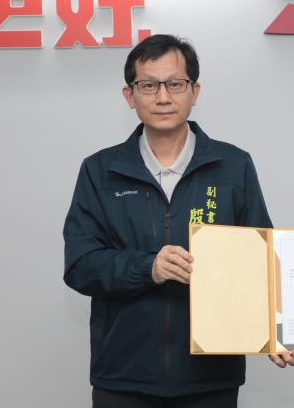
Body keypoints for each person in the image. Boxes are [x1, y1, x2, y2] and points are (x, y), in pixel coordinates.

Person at [63, 34, 281, 408]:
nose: (163, 97)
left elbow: (261, 262)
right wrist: (148, 267)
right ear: (130, 95)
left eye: (175, 84)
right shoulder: (100, 170)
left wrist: (277, 332)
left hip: (211, 377)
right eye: (149, 85)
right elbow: (81, 266)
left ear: (195, 91)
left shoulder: (234, 165)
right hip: (123, 376)